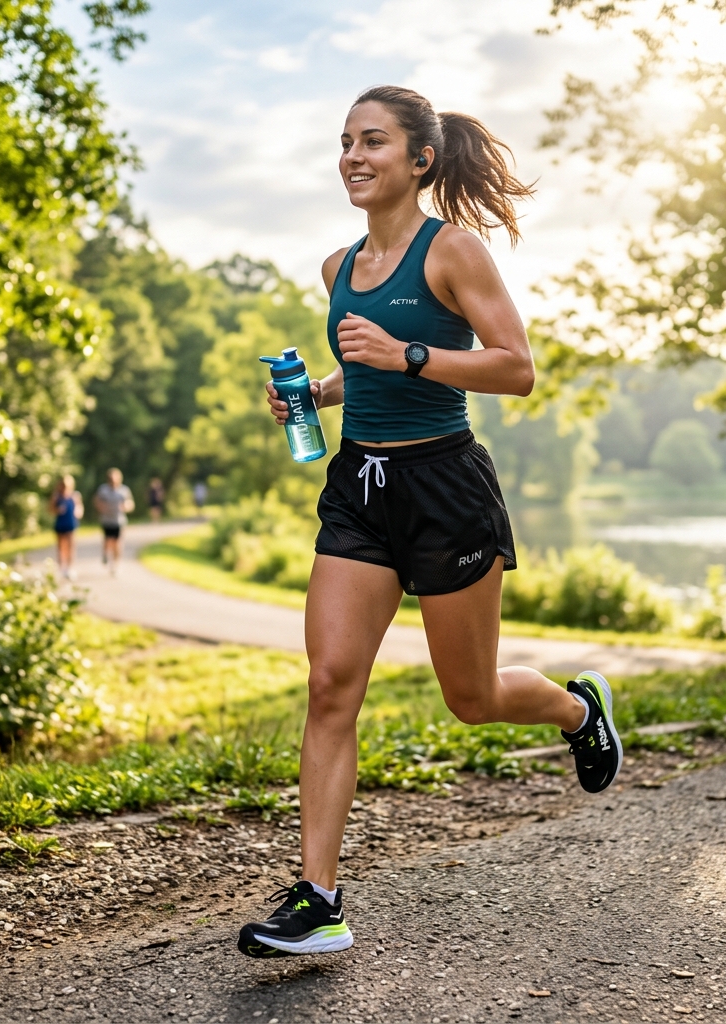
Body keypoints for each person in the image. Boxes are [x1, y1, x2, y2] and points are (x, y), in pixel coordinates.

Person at [238, 85, 622, 960]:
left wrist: (409, 352)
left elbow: (515, 369)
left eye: (372, 141)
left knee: (472, 697)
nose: (352, 156)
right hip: (360, 488)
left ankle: (576, 708)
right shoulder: (337, 268)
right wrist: (321, 390)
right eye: (344, 142)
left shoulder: (454, 252)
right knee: (332, 685)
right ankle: (319, 899)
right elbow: (365, 368)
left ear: (420, 159)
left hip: (444, 484)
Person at [93, 468, 134, 576]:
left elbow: (130, 504)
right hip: (106, 520)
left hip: (119, 521)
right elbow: (97, 501)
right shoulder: (103, 490)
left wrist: (126, 506)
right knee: (107, 541)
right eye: (111, 479)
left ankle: (115, 565)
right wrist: (101, 507)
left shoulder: (124, 490)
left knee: (118, 543)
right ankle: (105, 555)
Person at [49, 474, 83, 580]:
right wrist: (57, 510)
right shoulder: (56, 496)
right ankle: (62, 568)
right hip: (60, 524)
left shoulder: (75, 495)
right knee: (60, 547)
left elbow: (80, 508)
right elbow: (50, 509)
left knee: (71, 546)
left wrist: (78, 512)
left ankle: (70, 568)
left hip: (71, 524)